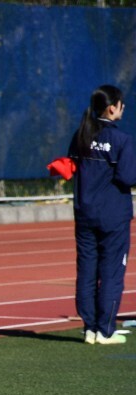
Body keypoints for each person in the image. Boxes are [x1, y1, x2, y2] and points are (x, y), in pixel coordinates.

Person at [68, 84, 136, 345]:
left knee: (86, 270)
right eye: (121, 104)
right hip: (113, 215)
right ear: (112, 107)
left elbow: (70, 165)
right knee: (111, 272)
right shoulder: (122, 139)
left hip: (84, 212)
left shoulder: (81, 134)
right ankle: (105, 330)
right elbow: (127, 176)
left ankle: (90, 328)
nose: (123, 108)